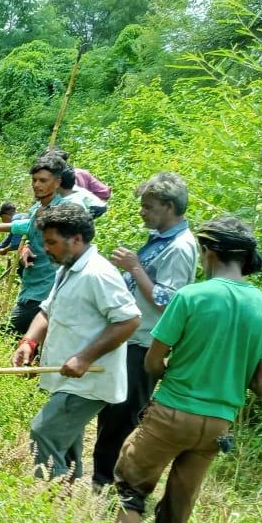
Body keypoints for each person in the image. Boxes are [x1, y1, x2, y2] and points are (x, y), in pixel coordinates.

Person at [114, 216, 262, 523]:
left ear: (207, 252)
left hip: (172, 412)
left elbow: (153, 360)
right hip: (218, 426)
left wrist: (173, 371)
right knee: (180, 501)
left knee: (132, 485)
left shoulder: (191, 296)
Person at [12, 203, 141, 481]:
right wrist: (29, 343)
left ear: (77, 239)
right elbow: (47, 310)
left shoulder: (98, 274)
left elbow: (129, 320)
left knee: (43, 433)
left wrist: (84, 358)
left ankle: (50, 504)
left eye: (52, 242)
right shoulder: (68, 268)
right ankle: (68, 507)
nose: (46, 249)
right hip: (66, 377)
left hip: (87, 383)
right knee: (64, 447)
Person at [91, 173, 197, 491]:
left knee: (124, 415)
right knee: (113, 411)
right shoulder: (160, 239)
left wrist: (135, 268)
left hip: (145, 342)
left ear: (168, 206)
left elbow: (169, 302)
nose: (142, 212)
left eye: (148, 207)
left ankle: (109, 483)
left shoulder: (180, 247)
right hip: (129, 337)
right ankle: (102, 477)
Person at [0, 155, 66, 336]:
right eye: (34, 180)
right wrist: (21, 244)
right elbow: (30, 228)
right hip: (31, 284)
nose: (36, 185)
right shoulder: (37, 208)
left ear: (57, 182)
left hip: (48, 288)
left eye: (43, 180)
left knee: (6, 335)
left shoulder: (63, 211)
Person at [47, 146, 111, 202]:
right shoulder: (81, 173)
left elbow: (104, 192)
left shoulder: (49, 179)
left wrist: (88, 202)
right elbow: (105, 192)